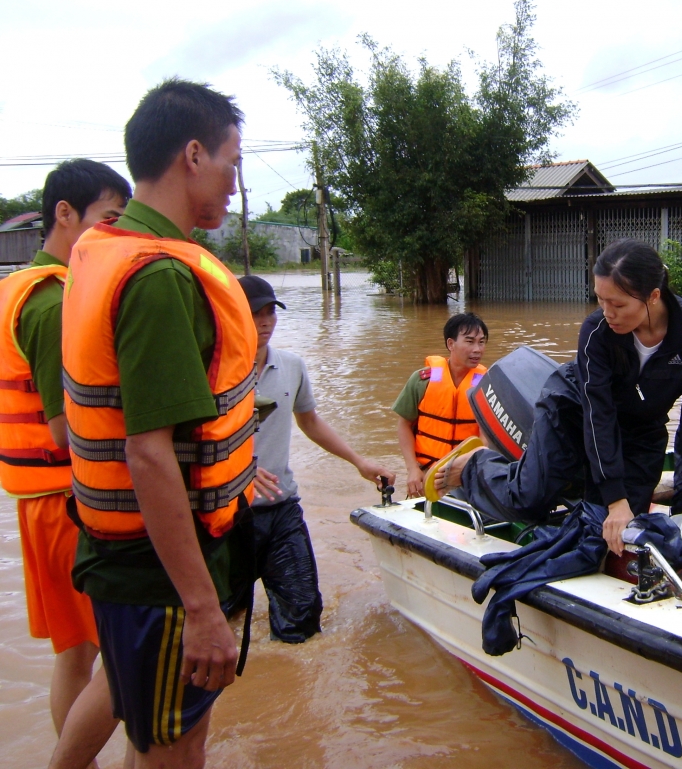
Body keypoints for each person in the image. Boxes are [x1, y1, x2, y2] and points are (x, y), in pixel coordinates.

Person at [60, 79, 256, 769]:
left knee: (154, 734)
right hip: (162, 572)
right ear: (194, 155)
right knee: (173, 750)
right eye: (233, 164)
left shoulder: (103, 248)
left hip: (132, 559)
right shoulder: (159, 278)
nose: (235, 185)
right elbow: (148, 453)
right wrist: (203, 608)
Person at [439, 239, 682, 554]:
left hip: (643, 428)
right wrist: (615, 498)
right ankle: (475, 465)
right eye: (601, 301)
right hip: (572, 409)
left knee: (620, 533)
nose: (608, 313)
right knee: (529, 500)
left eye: (618, 305)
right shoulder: (597, 331)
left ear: (653, 297)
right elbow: (597, 415)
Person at [0, 160, 128, 768]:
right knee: (124, 652)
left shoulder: (16, 286)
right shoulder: (52, 302)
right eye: (107, 221)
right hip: (68, 499)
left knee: (74, 651)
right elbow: (65, 425)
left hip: (38, 501)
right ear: (65, 214)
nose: (113, 236)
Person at [238, 274, 395, 643]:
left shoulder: (291, 366)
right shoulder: (212, 371)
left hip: (281, 508)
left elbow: (309, 421)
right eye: (254, 313)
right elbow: (189, 440)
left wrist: (359, 462)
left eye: (269, 313)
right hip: (226, 516)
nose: (264, 322)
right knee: (224, 620)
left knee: (303, 621)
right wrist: (238, 469)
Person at [393, 313, 489, 498]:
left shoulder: (487, 387)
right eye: (469, 341)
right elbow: (404, 424)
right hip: (425, 473)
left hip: (466, 476)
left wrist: (462, 469)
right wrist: (412, 469)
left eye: (482, 342)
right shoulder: (422, 380)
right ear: (451, 344)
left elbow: (485, 439)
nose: (477, 349)